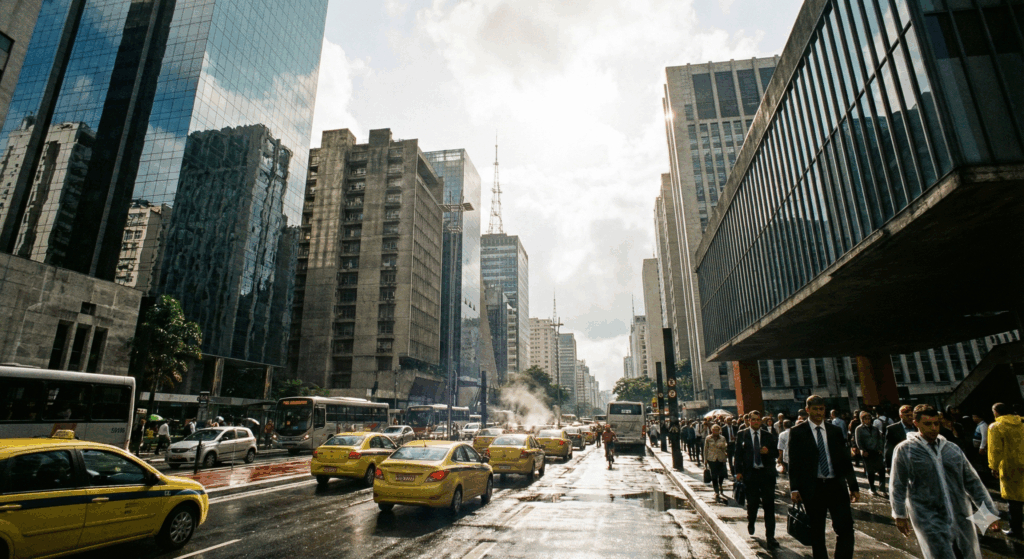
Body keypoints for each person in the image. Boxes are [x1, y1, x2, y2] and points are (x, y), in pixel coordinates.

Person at [890, 405, 998, 558]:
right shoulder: (905, 450)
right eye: (928, 424)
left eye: (936, 423)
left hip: (960, 514)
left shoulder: (952, 449)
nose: (933, 428)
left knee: (967, 554)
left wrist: (989, 514)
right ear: (916, 423)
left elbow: (973, 482)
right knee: (940, 554)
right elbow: (898, 484)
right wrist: (900, 515)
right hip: (928, 517)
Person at [789, 395, 859, 559]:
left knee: (846, 528)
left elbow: (845, 461)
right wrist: (795, 489)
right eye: (815, 409)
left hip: (836, 485)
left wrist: (853, 487)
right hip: (813, 488)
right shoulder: (797, 432)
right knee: (817, 531)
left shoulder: (834, 431)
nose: (819, 412)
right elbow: (794, 464)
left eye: (821, 409)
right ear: (807, 410)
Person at [735, 410, 778, 546]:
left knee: (769, 506)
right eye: (753, 419)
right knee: (752, 504)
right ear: (748, 421)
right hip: (750, 474)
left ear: (761, 421)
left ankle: (770, 536)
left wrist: (768, 452)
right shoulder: (742, 434)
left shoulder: (768, 436)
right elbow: (737, 455)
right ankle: (751, 521)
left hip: (766, 474)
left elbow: (776, 453)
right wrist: (738, 472)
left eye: (758, 420)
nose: (755, 422)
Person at [988, 402, 1023, 538]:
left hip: (1011, 467)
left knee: (1014, 501)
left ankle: (1016, 529)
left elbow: (995, 450)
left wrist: (993, 466)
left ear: (996, 412)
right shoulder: (1022, 422)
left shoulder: (996, 427)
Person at [855, 411, 886, 496]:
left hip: (876, 451)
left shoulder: (875, 428)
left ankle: (882, 488)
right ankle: (872, 488)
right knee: (870, 471)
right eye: (866, 419)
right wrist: (862, 450)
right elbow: (858, 441)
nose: (868, 420)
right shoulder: (859, 429)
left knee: (882, 470)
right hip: (867, 452)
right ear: (862, 420)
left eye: (869, 419)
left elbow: (879, 439)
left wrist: (880, 448)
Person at [885, 405, 917, 472]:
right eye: (907, 415)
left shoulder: (917, 427)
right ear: (901, 416)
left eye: (912, 415)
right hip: (902, 461)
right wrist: (889, 465)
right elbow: (889, 448)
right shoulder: (892, 429)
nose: (910, 418)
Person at [704, 424, 729, 504]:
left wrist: (723, 446)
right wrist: (705, 459)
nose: (715, 431)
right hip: (712, 458)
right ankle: (716, 491)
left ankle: (720, 484)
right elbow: (705, 449)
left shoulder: (722, 438)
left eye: (717, 430)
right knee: (714, 475)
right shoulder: (708, 438)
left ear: (719, 430)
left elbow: (726, 447)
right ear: (712, 430)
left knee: (721, 474)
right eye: (714, 430)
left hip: (720, 458)